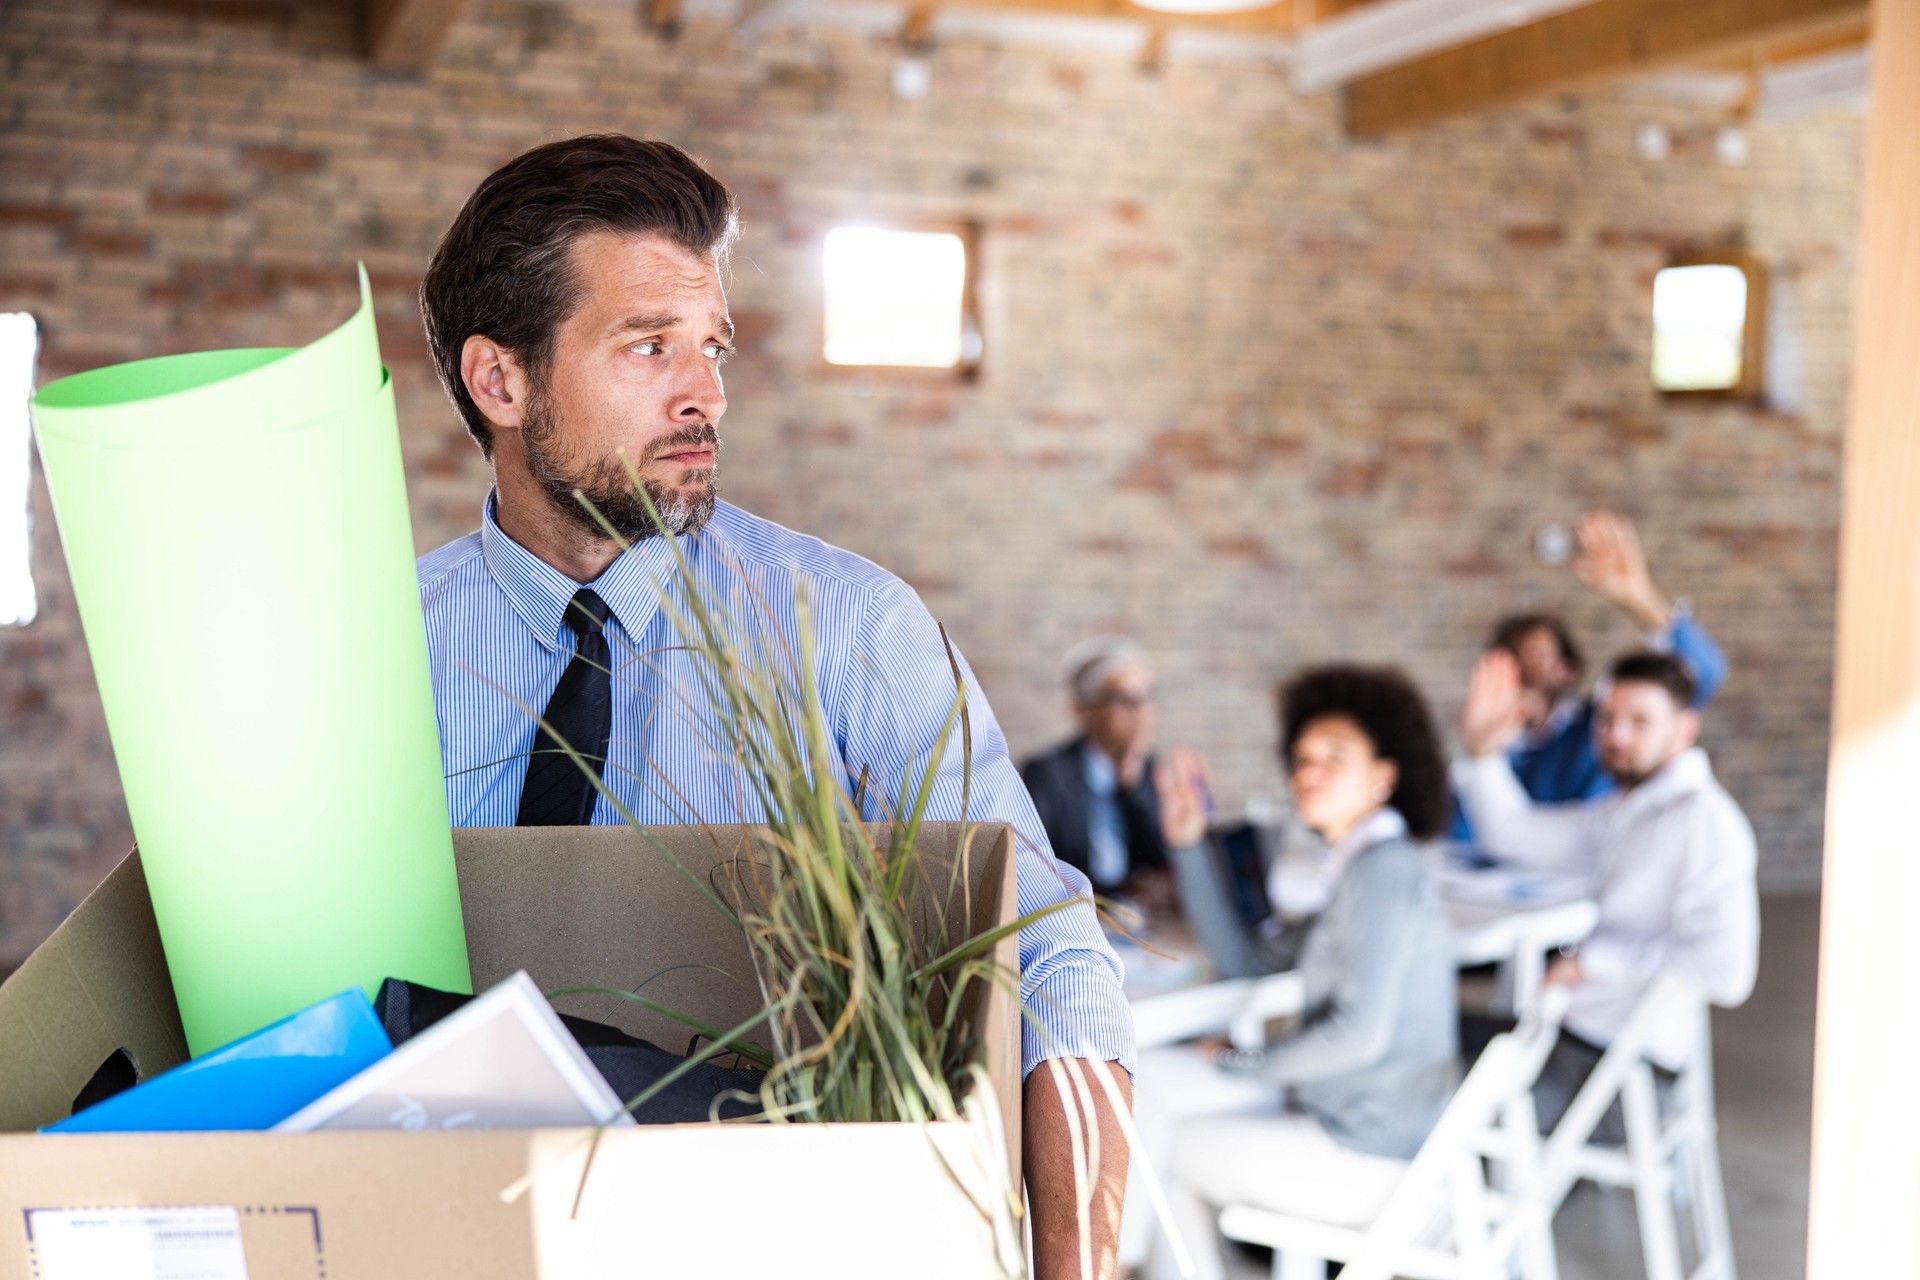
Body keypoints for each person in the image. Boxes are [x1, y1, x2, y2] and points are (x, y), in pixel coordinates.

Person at [412, 134, 1133, 1277]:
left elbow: (1047, 955)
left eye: (711, 347)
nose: (706, 392)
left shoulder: (852, 626)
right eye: (650, 347)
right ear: (500, 380)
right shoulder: (380, 656)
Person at [1120, 666, 1458, 1280]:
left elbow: (1358, 1036)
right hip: (1352, 1120)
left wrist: (1238, 1060)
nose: (1310, 772)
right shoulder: (1362, 867)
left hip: (1367, 1154)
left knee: (1160, 1145)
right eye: (1302, 758)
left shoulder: (1381, 872)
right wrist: (1190, 843)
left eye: (1335, 757)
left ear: (1384, 777)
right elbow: (1246, 963)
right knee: (1146, 1089)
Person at [1455, 648, 1759, 1135]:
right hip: (1568, 1041)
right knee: (1426, 1037)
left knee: (1431, 1099)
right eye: (1607, 719)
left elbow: (1727, 970)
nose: (1615, 735)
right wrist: (1481, 753)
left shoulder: (1704, 822)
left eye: (1639, 721)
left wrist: (1590, 961)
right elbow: (1516, 834)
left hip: (1617, 1079)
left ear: (1684, 729)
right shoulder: (1627, 809)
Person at [1467, 511, 1729, 830]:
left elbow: (1702, 674)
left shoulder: (1598, 730)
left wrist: (1640, 599)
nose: (1521, 668)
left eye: (1538, 655)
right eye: (1510, 657)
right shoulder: (1492, 747)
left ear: (1567, 670)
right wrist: (1486, 746)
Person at [1021, 636, 1175, 899]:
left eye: (1145, 697)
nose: (1140, 710)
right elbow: (1035, 864)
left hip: (1134, 917)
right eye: (1124, 699)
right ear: (1082, 708)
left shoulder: (1150, 771)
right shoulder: (1047, 774)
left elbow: (1162, 859)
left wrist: (1133, 784)